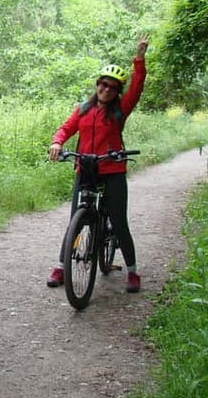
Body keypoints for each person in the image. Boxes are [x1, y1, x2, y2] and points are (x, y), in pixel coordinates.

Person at [46, 38, 149, 293]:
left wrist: (139, 58)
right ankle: (61, 267)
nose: (106, 89)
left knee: (119, 221)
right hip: (86, 169)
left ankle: (133, 272)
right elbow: (66, 128)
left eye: (112, 87)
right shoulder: (83, 109)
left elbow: (136, 88)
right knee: (75, 221)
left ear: (117, 92)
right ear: (97, 85)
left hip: (112, 169)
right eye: (103, 84)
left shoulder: (120, 110)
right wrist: (57, 142)